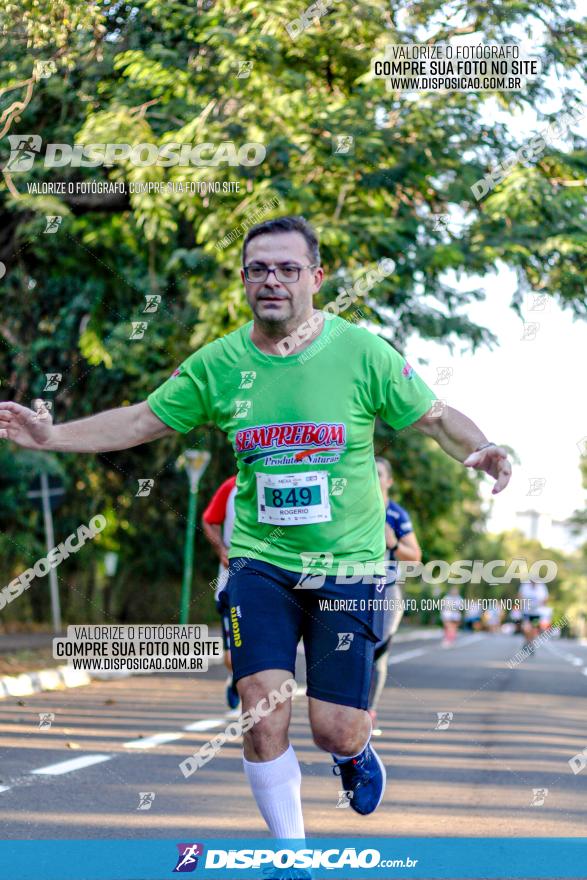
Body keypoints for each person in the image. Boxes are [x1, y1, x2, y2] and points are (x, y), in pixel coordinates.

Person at [0, 215, 512, 847]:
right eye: (259, 269)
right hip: (259, 564)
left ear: (316, 279)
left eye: (288, 269)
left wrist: (482, 447)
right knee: (261, 711)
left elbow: (434, 419)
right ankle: (290, 853)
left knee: (334, 728)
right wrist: (54, 436)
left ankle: (355, 752)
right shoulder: (219, 365)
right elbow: (137, 422)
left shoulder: (362, 353)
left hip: (348, 565)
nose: (273, 280)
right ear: (244, 280)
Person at [368, 457, 421, 727]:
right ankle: (349, 712)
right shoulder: (353, 510)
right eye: (369, 473)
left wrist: (394, 544)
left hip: (386, 592)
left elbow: (415, 556)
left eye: (379, 474)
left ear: (389, 481)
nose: (374, 478)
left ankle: (369, 713)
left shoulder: (397, 514)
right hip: (351, 589)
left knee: (378, 652)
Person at [202, 473, 240, 709]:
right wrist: (221, 550)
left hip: (272, 581)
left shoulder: (284, 480)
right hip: (232, 580)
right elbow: (209, 520)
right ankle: (235, 678)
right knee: (232, 657)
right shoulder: (230, 487)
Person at [518, 577, 549, 654]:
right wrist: (522, 605)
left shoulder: (542, 587)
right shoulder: (525, 585)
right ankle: (527, 641)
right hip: (526, 612)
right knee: (526, 628)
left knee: (534, 628)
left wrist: (541, 604)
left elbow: (546, 598)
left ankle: (531, 644)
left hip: (536, 613)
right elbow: (520, 596)